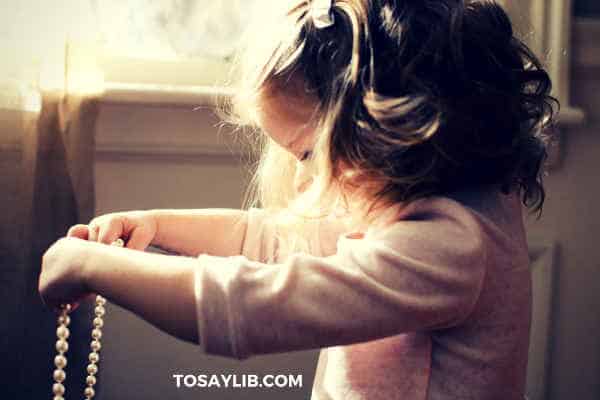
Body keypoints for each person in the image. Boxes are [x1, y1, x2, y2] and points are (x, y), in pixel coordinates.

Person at [39, 0, 558, 398]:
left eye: (309, 152)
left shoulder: (450, 245)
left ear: (392, 129)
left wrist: (91, 266)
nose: (306, 175)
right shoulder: (418, 202)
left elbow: (251, 306)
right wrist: (154, 224)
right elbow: (269, 237)